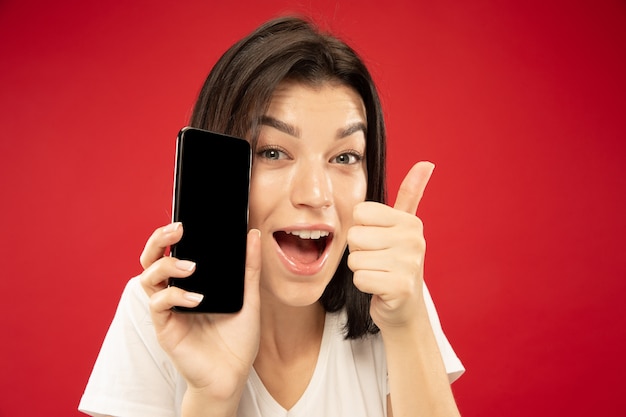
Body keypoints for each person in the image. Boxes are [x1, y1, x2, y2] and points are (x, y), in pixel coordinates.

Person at [79, 14, 465, 417]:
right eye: (273, 152)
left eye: (345, 157)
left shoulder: (393, 298)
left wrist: (407, 327)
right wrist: (213, 397)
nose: (315, 194)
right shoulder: (156, 312)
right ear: (221, 169)